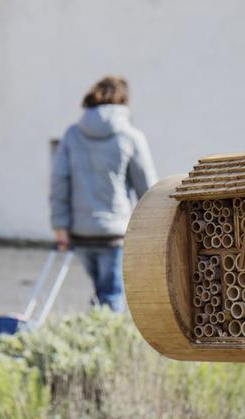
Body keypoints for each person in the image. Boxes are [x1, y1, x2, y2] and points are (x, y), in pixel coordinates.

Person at [49, 75, 158, 312]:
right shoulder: (131, 137)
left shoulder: (72, 135)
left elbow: (59, 182)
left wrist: (60, 226)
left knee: (102, 290)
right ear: (124, 100)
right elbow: (148, 190)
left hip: (80, 232)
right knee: (112, 293)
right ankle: (107, 343)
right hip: (115, 232)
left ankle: (95, 332)